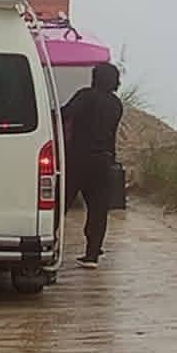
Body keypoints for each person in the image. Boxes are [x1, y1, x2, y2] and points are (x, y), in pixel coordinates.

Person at [60, 62, 123, 267]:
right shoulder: (116, 104)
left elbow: (64, 114)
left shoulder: (85, 96)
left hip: (78, 159)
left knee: (61, 205)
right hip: (104, 162)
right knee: (98, 209)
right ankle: (92, 254)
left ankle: (48, 242)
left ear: (95, 77)